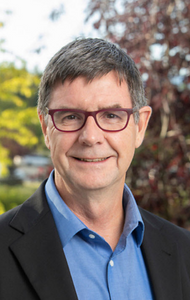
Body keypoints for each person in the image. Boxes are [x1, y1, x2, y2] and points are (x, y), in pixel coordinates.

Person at [0, 38, 190, 300]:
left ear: (140, 127)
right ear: (46, 128)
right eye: (70, 116)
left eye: (111, 116)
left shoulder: (184, 251)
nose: (90, 137)